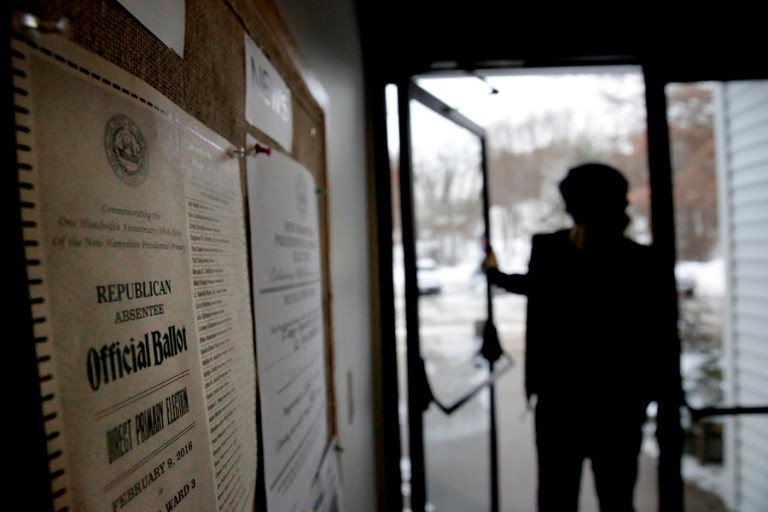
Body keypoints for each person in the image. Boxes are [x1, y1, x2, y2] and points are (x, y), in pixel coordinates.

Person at [484, 162, 667, 512]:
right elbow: (538, 287)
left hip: (607, 406)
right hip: (576, 405)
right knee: (562, 497)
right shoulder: (553, 250)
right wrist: (497, 275)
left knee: (606, 498)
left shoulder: (638, 263)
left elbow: (656, 340)